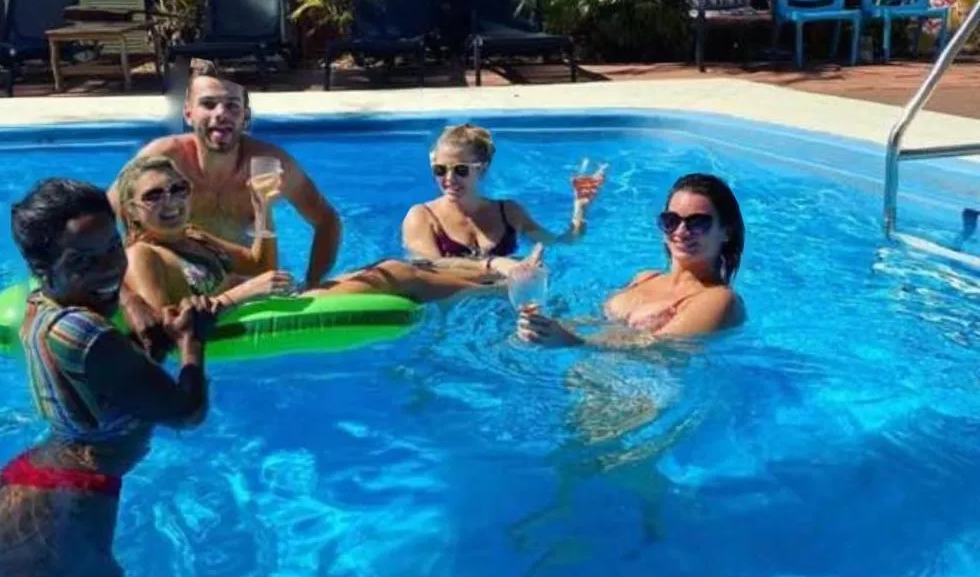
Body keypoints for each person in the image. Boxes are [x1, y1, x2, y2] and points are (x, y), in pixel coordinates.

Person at [0, 178, 217, 577]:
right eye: (83, 260)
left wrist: (138, 318)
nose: (108, 266)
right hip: (57, 518)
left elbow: (112, 381)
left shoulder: (41, 305)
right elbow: (187, 412)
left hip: (25, 491)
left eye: (113, 246)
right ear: (47, 268)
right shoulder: (88, 336)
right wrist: (193, 341)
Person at [113, 155, 541, 314]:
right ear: (132, 209)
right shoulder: (144, 257)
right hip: (252, 312)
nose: (170, 201)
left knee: (389, 267)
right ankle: (504, 293)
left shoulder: (191, 236)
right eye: (154, 196)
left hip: (273, 302)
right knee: (394, 273)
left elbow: (263, 268)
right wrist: (239, 296)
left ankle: (499, 280)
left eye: (178, 189)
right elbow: (159, 327)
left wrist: (263, 212)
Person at [108, 60, 341, 289]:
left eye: (232, 105)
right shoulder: (162, 161)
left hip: (247, 278)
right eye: (208, 104)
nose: (221, 113)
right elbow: (102, 216)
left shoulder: (272, 165)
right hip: (178, 283)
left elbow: (327, 220)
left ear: (245, 117)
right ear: (188, 114)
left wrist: (312, 282)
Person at [516, 173, 746, 348]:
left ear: (726, 231)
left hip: (639, 398)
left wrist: (572, 341)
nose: (681, 231)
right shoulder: (645, 277)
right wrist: (541, 324)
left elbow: (661, 351)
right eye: (671, 220)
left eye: (698, 222)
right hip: (586, 378)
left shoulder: (719, 299)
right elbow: (599, 326)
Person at [401, 123, 602, 262]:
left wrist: (580, 210)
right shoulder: (422, 217)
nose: (449, 179)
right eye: (440, 170)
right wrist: (497, 267)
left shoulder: (509, 213)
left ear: (483, 168)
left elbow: (563, 243)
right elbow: (428, 273)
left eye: (461, 170)